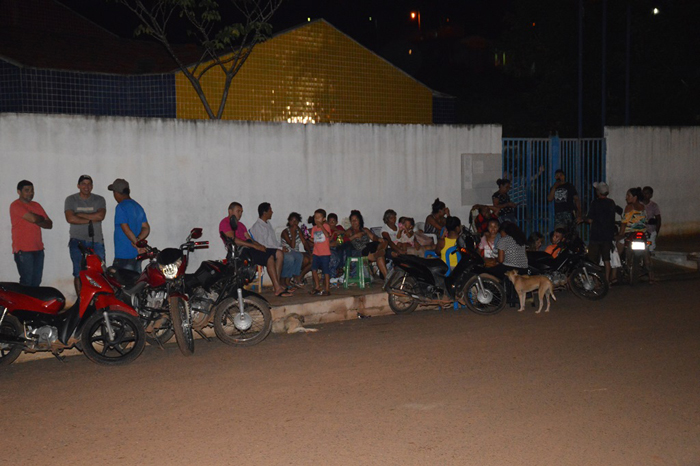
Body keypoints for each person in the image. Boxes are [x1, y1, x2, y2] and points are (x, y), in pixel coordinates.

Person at [219, 202, 292, 297]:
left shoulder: (241, 225)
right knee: (269, 257)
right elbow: (234, 240)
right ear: (230, 211)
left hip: (250, 248)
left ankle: (276, 284)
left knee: (278, 253)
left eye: (241, 211)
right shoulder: (225, 223)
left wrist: (260, 246)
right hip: (241, 251)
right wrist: (254, 246)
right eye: (238, 211)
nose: (240, 214)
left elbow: (249, 239)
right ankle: (278, 288)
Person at [64, 175, 106, 294]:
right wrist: (92, 219)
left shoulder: (99, 199)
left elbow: (100, 216)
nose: (86, 187)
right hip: (77, 241)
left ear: (92, 186)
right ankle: (80, 301)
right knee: (78, 273)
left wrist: (79, 214)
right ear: (78, 185)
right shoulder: (71, 199)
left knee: (99, 272)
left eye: (89, 184)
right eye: (83, 184)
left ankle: (98, 301)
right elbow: (70, 218)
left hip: (96, 241)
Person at [10, 180, 53, 286]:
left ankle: (31, 303)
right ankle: (22, 303)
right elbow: (33, 219)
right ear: (19, 192)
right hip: (23, 251)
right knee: (26, 282)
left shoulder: (36, 205)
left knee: (36, 282)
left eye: (32, 190)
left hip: (38, 249)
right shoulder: (16, 205)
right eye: (27, 190)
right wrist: (40, 219)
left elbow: (49, 224)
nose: (30, 193)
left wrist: (38, 218)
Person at [109, 179, 149, 273]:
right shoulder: (137, 206)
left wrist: (136, 243)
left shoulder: (121, 207)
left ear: (116, 193)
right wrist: (138, 240)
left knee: (122, 285)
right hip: (136, 255)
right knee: (135, 284)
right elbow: (146, 228)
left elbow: (125, 228)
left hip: (123, 255)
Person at [249, 202, 291, 291]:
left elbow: (274, 242)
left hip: (271, 249)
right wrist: (279, 249)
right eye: (270, 210)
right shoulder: (258, 226)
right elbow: (262, 245)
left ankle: (277, 283)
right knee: (280, 254)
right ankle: (277, 284)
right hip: (262, 250)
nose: (272, 212)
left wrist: (281, 246)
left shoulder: (267, 224)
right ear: (265, 213)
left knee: (284, 254)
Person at [616, 187, 654, 283]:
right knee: (646, 254)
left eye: (628, 195)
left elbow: (624, 223)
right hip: (642, 234)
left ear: (635, 197)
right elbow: (645, 220)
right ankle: (651, 277)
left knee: (617, 250)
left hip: (630, 234)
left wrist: (620, 235)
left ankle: (616, 269)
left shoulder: (629, 207)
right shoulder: (642, 207)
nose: (626, 197)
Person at [581, 182, 617, 284]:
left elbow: (590, 220)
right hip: (607, 235)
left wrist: (583, 218)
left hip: (596, 235)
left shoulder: (595, 203)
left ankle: (596, 281)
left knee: (593, 260)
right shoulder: (611, 203)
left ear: (598, 192)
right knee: (607, 259)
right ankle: (606, 281)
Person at [343, 209, 388, 278]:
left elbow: (373, 237)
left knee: (384, 241)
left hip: (369, 248)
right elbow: (342, 241)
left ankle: (379, 253)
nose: (354, 222)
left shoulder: (365, 230)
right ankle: (387, 278)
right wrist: (355, 236)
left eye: (355, 220)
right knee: (380, 257)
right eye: (352, 220)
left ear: (359, 221)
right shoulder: (349, 231)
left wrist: (379, 239)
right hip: (360, 251)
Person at [281, 212, 313, 287]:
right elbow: (292, 246)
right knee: (296, 257)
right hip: (287, 252)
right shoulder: (285, 232)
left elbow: (304, 242)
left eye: (296, 221)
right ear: (289, 221)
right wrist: (293, 234)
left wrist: (310, 253)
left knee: (314, 259)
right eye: (292, 220)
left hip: (295, 252)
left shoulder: (298, 230)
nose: (294, 223)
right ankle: (288, 280)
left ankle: (298, 277)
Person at [309, 209, 332, 296]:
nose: (316, 219)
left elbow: (327, 235)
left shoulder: (326, 226)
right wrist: (308, 237)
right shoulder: (314, 228)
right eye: (315, 217)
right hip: (316, 252)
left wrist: (321, 226)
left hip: (325, 253)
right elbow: (314, 239)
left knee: (326, 271)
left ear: (323, 219)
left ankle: (327, 288)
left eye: (319, 217)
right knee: (314, 269)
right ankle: (317, 286)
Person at [642, 186, 661, 252]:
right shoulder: (638, 204)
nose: (645, 195)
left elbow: (658, 219)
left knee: (649, 248)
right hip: (640, 230)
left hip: (650, 231)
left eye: (647, 193)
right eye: (643, 193)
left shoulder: (654, 206)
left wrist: (656, 233)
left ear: (651, 195)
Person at [327, 213, 346, 277]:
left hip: (341, 244)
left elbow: (345, 233)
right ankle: (336, 272)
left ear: (336, 222)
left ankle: (343, 270)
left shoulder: (339, 227)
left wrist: (340, 232)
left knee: (344, 251)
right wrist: (334, 233)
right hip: (333, 246)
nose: (332, 223)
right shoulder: (327, 230)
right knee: (335, 255)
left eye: (333, 221)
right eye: (330, 221)